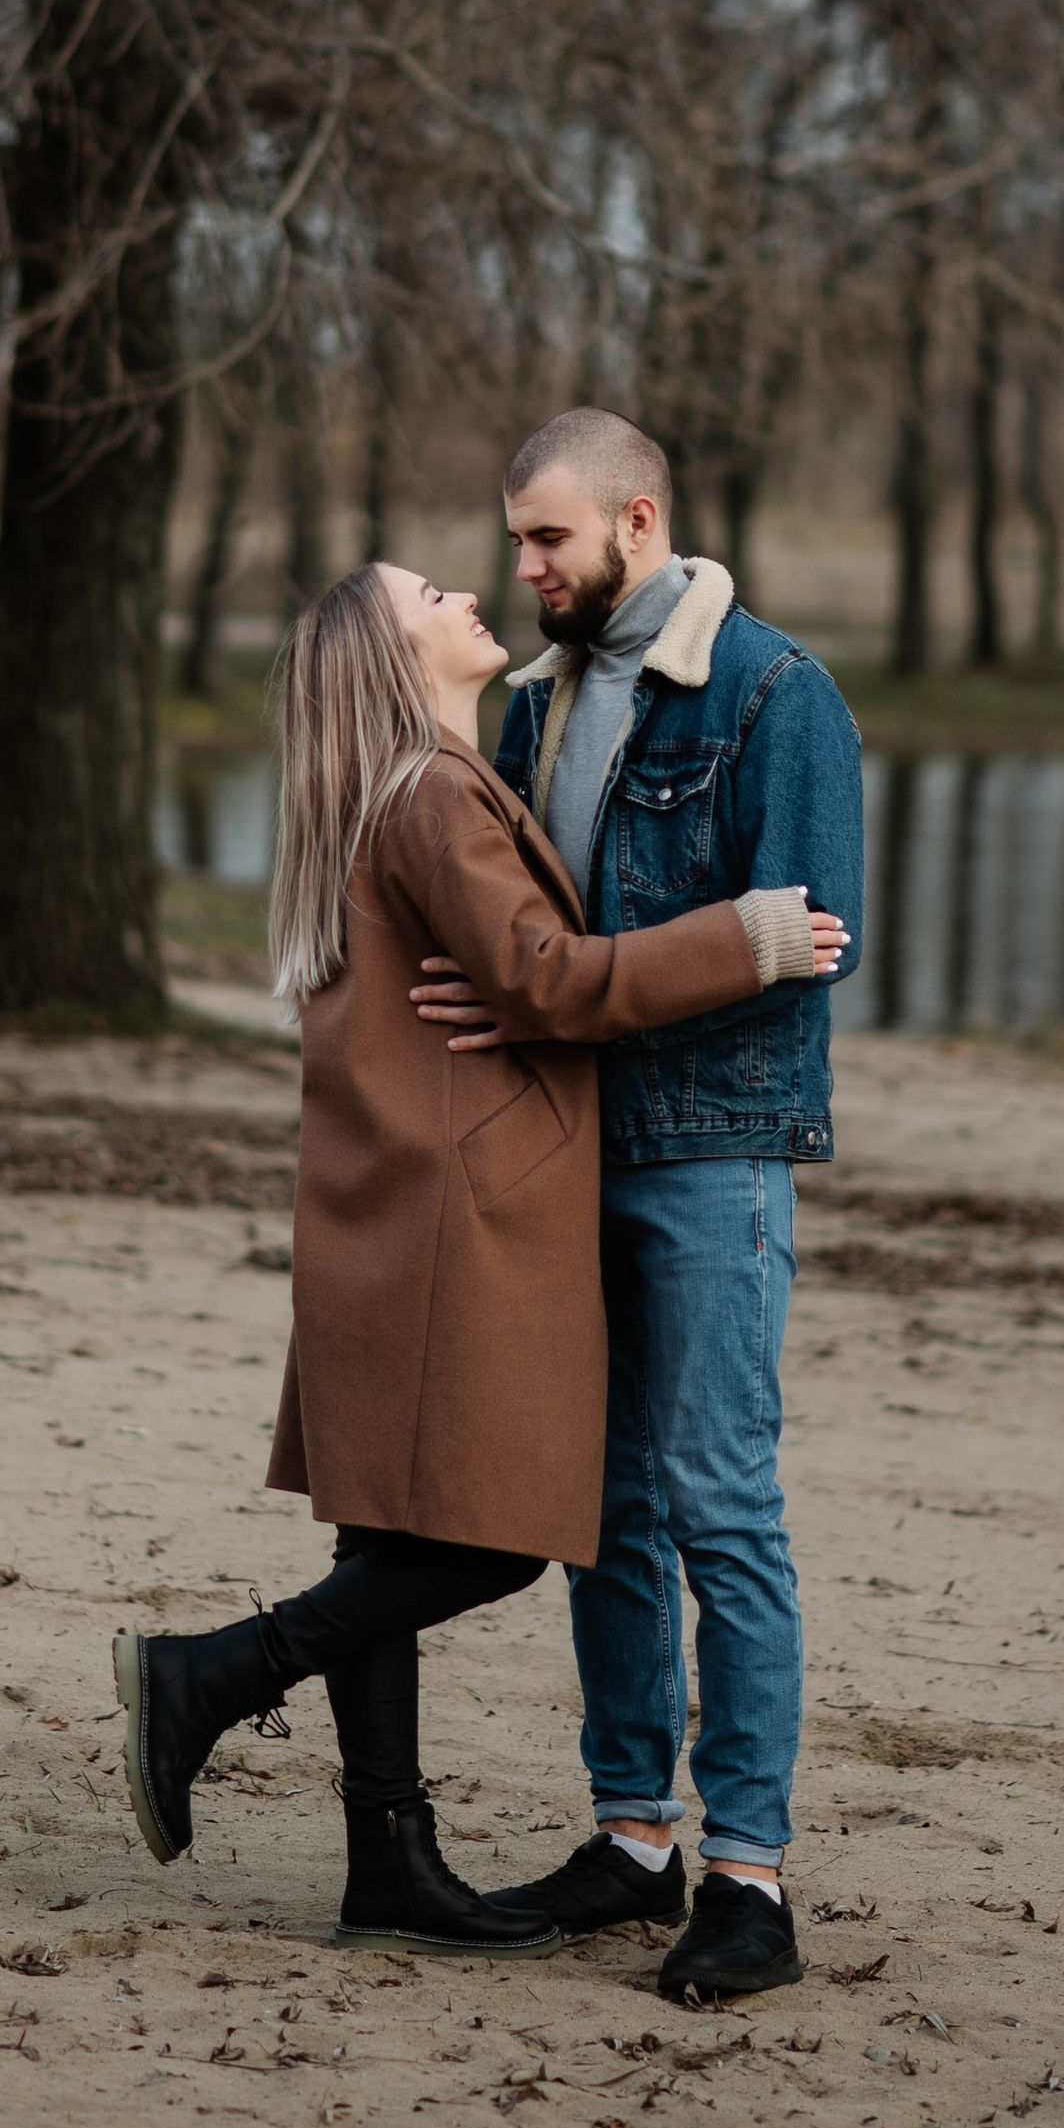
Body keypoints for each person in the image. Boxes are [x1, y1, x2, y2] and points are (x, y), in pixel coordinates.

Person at [112, 557, 844, 1958]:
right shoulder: (434, 794)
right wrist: (746, 938)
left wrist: (529, 983)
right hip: (451, 1217)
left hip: (383, 1206)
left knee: (384, 1530)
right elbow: (552, 980)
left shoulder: (397, 791)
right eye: (432, 593)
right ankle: (205, 1674)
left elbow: (523, 978)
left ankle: (388, 1850)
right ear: (396, 660)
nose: (468, 593)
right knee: (508, 1537)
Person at [415, 409, 864, 2001]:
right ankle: (631, 1840)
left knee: (721, 1507)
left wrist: (560, 1007)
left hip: (714, 1156)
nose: (524, 565)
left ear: (637, 517)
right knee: (606, 1513)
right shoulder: (539, 705)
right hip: (572, 1156)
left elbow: (811, 944)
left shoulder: (773, 692)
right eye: (516, 538)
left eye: (548, 538)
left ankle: (748, 1878)